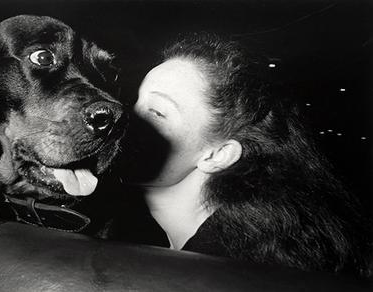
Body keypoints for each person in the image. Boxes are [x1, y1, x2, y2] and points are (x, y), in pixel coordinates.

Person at [99, 32, 372, 277]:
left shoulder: (229, 273)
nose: (122, 116)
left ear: (217, 155)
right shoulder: (161, 245)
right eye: (133, 100)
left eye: (157, 112)